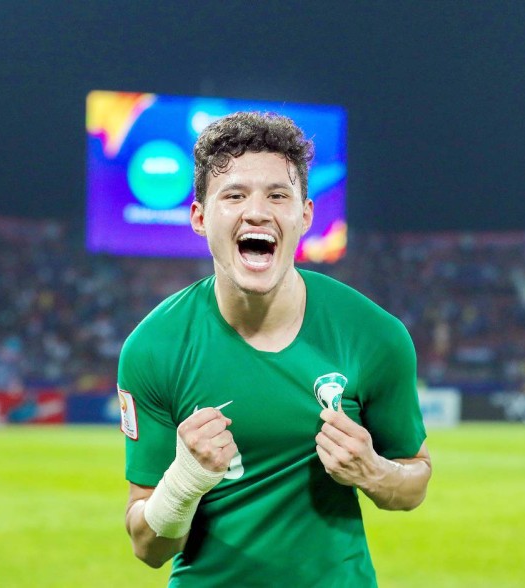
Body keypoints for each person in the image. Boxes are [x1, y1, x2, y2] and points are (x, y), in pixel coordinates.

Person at [119, 111, 431, 587]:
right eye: (234, 195)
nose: (257, 212)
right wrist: (184, 480)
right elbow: (148, 548)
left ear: (305, 215)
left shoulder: (375, 336)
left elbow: (414, 482)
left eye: (278, 195)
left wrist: (373, 471)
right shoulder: (153, 348)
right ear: (200, 218)